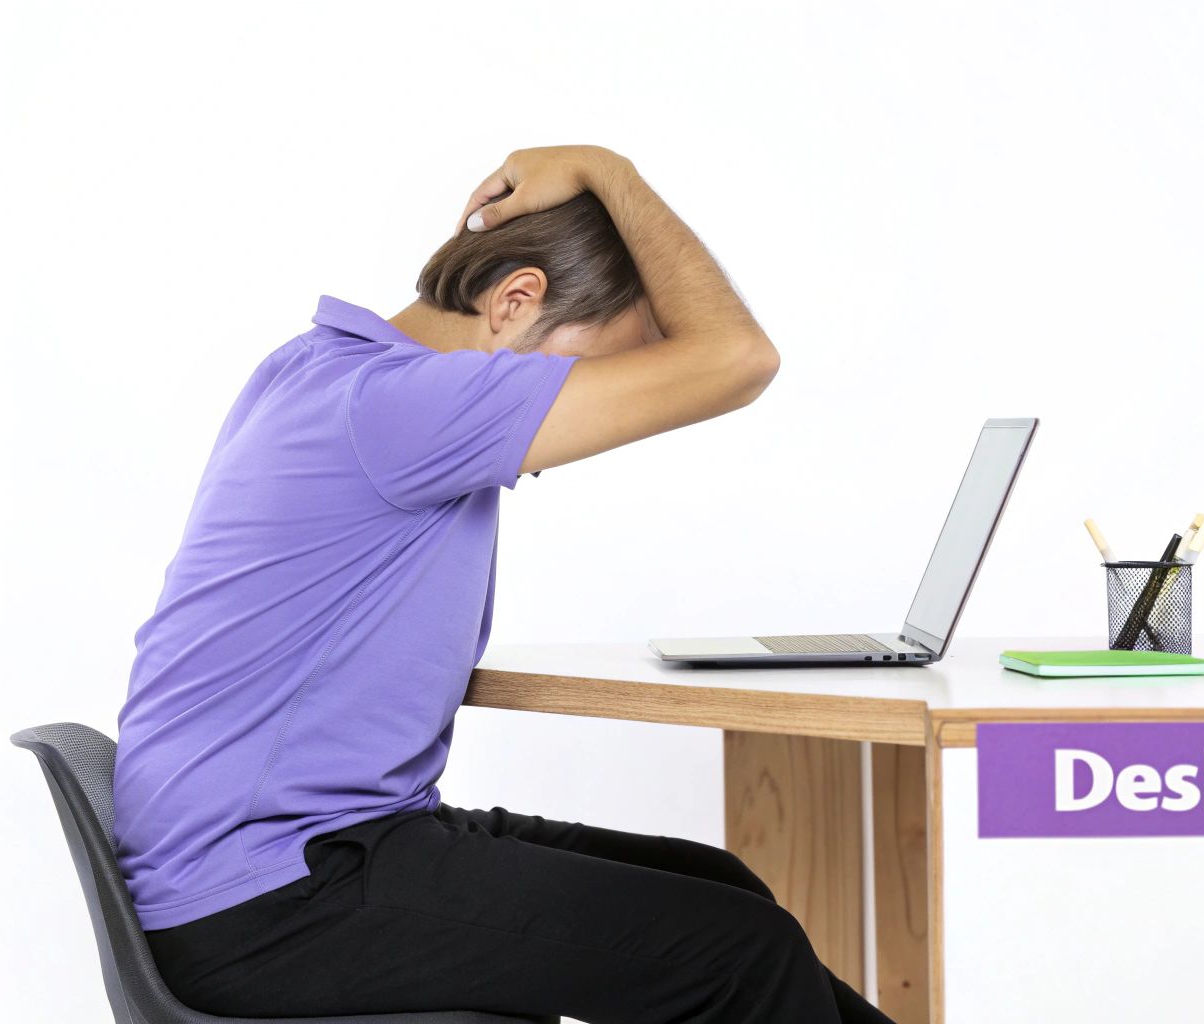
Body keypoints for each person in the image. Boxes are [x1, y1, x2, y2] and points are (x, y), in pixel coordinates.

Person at [114, 145, 892, 1023]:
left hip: (291, 855)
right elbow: (738, 359)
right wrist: (608, 171)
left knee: (721, 889)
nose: (598, 404)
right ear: (515, 300)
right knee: (744, 953)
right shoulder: (404, 401)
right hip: (273, 897)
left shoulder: (315, 367)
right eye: (591, 368)